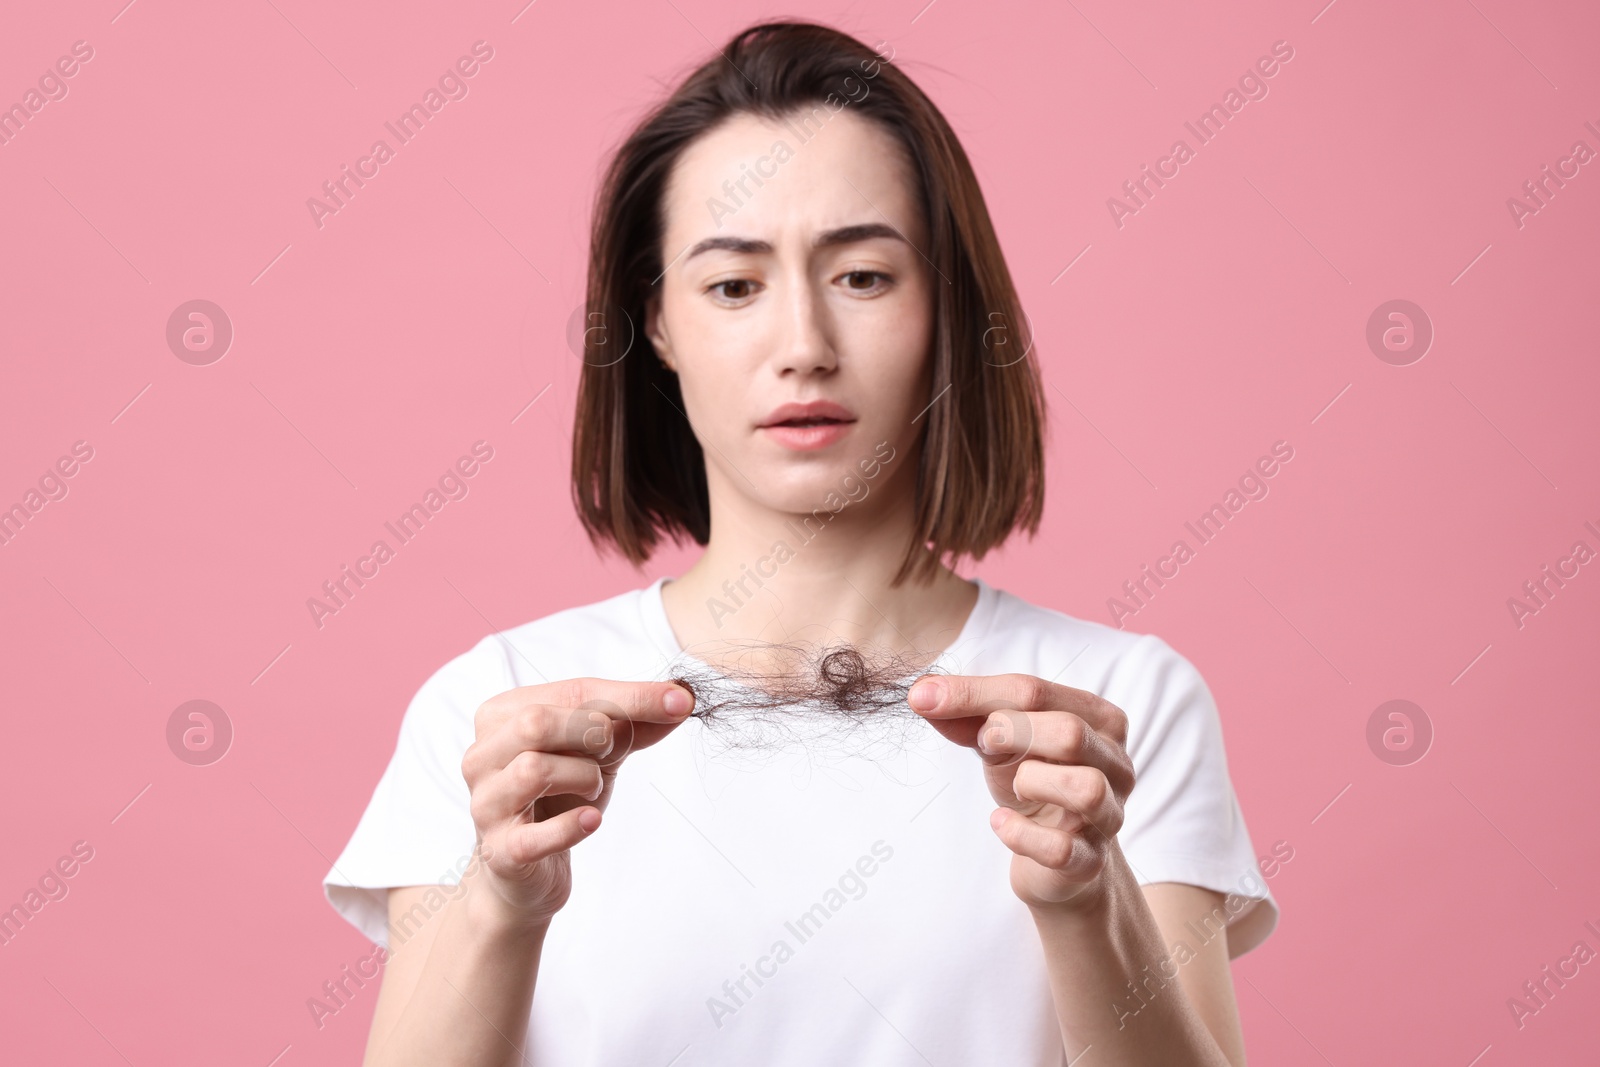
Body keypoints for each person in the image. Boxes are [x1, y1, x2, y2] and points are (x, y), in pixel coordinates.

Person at [324, 19, 1278, 1066]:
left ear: (946, 306)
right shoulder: (499, 708)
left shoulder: (1109, 707)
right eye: (734, 286)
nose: (803, 347)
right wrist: (501, 906)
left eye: (862, 276)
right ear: (659, 326)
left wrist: (1088, 902)